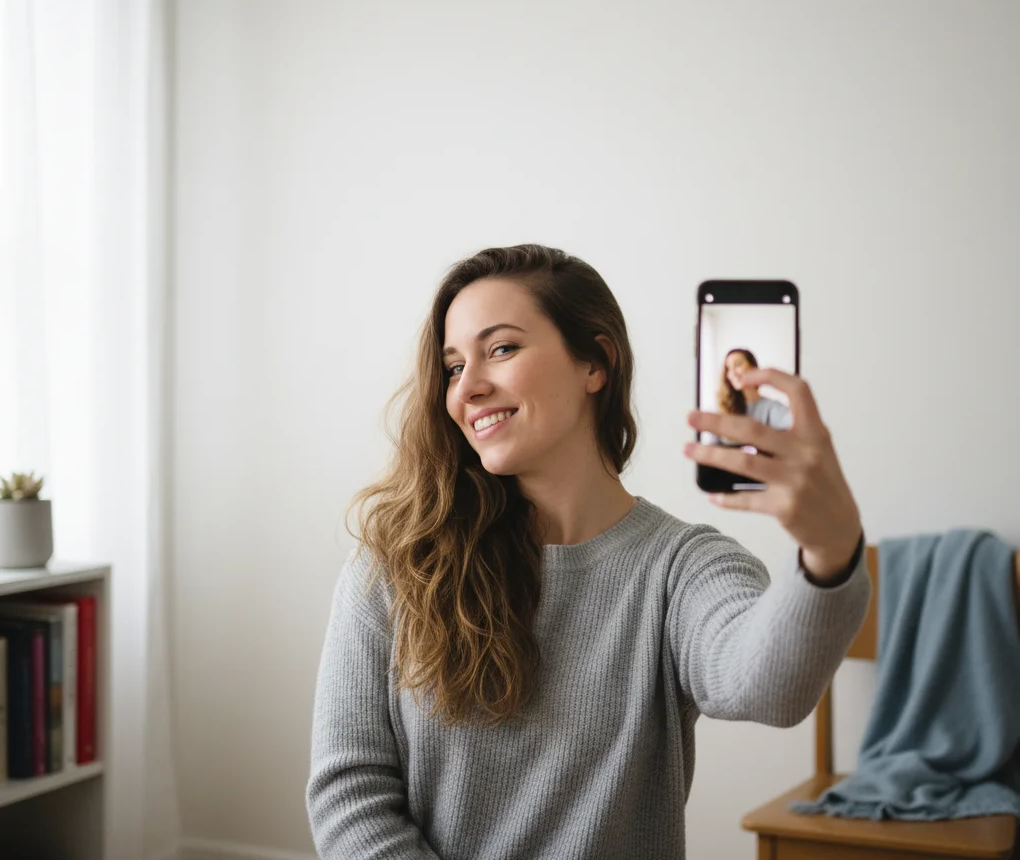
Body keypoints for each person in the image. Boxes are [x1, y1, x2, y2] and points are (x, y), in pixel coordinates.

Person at [306, 244, 869, 860]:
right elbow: (349, 797)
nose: (468, 387)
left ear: (595, 363)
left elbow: (770, 688)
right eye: (453, 365)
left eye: (501, 349)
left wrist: (830, 546)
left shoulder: (683, 567)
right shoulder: (394, 567)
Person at [719, 347, 794, 432]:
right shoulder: (723, 408)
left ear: (753, 368)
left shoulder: (771, 408)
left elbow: (799, 426)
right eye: (728, 368)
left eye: (738, 364)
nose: (732, 373)